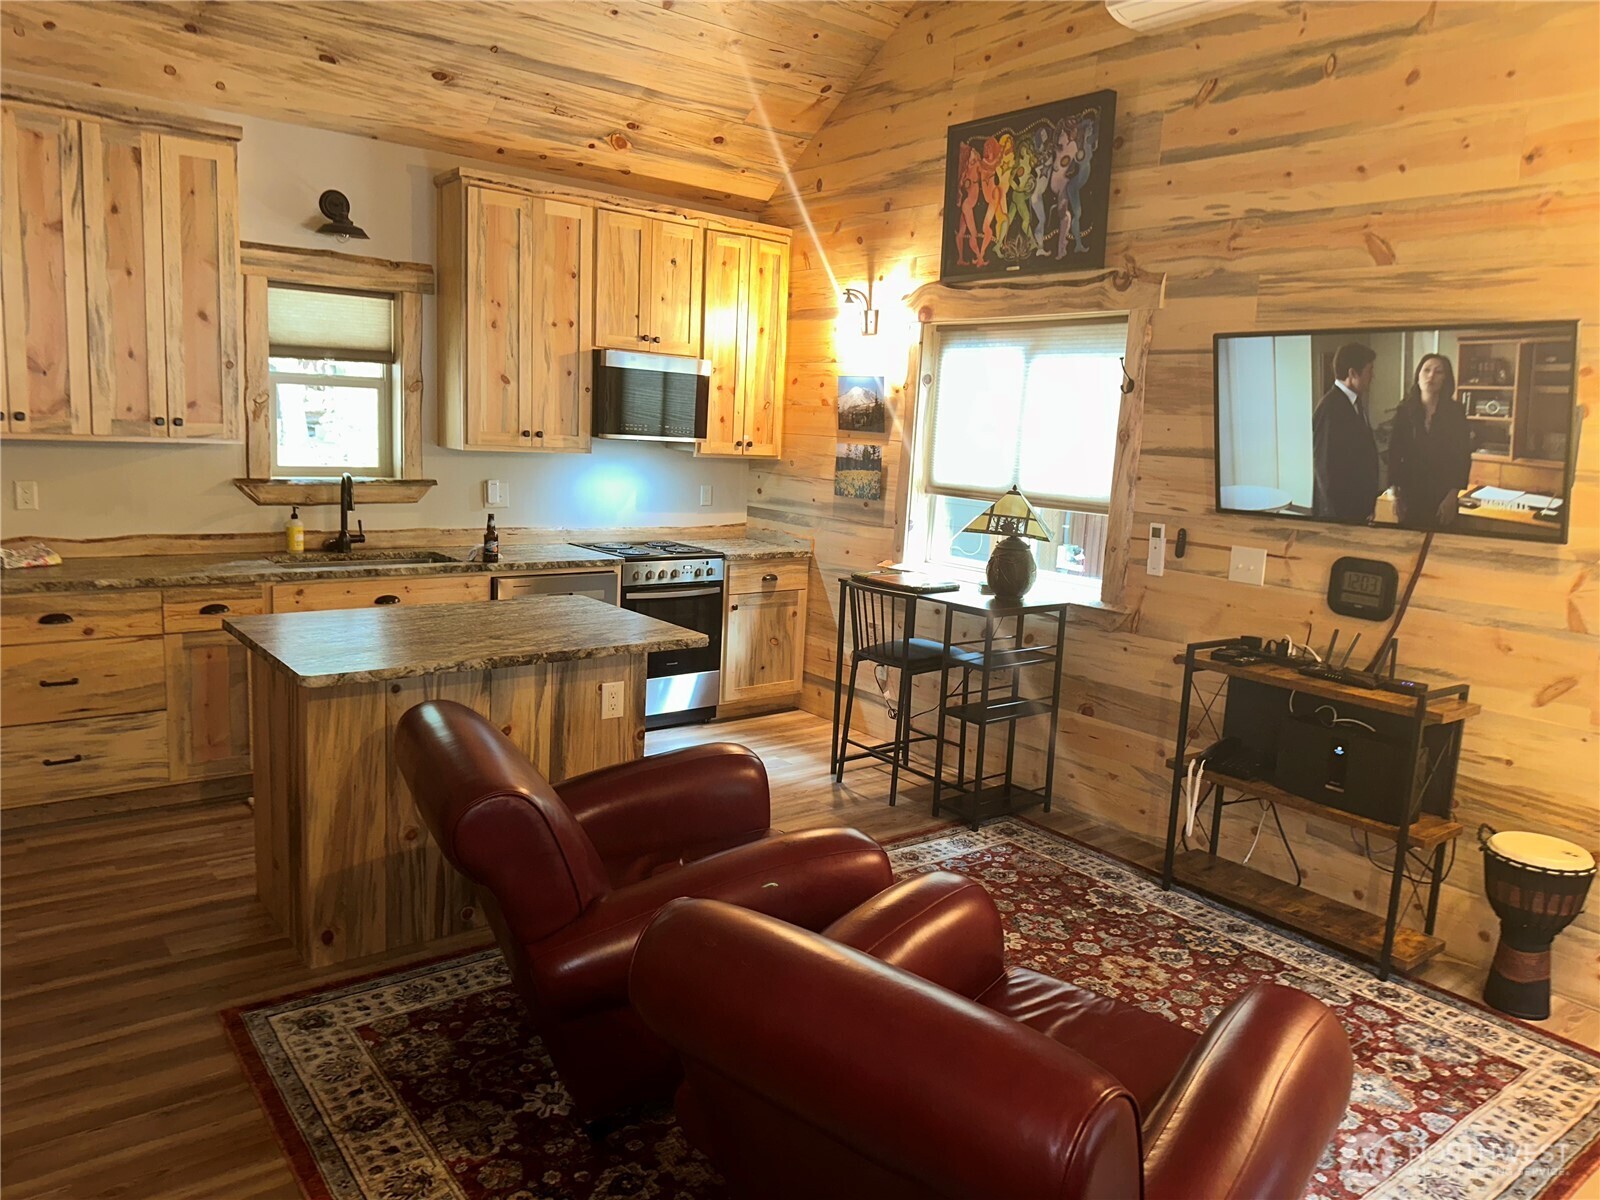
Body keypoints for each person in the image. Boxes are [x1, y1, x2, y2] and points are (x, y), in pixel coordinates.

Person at [1388, 352, 1471, 529]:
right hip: (1411, 493)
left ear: (1445, 380)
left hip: (1443, 494)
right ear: (1418, 375)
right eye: (1426, 370)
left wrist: (1452, 495)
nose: (1431, 376)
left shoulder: (1455, 412)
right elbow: (1394, 453)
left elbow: (1462, 457)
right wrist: (1396, 495)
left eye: (1438, 372)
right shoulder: (1405, 411)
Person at [1312, 343, 1380, 523]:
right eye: (1369, 370)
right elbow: (1325, 469)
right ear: (1352, 374)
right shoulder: (1330, 408)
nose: (1372, 376)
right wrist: (1340, 519)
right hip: (1341, 514)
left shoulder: (1355, 403)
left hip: (1357, 509)